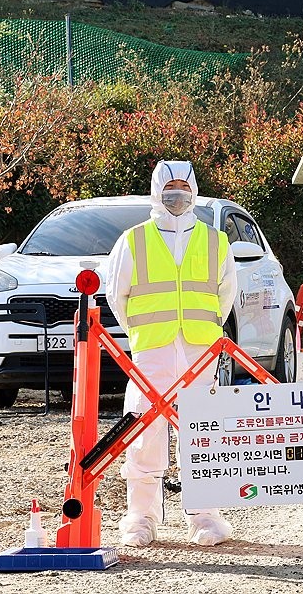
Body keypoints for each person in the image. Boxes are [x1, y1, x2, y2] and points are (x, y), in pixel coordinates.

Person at [106, 160, 239, 547]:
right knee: (144, 429)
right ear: (156, 191)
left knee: (202, 430)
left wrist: (206, 329)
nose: (177, 194)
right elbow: (118, 295)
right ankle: (141, 518)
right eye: (170, 186)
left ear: (194, 191)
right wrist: (142, 331)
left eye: (184, 186)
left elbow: (225, 295)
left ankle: (206, 517)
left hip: (200, 347)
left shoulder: (216, 241)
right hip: (152, 349)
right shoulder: (133, 240)